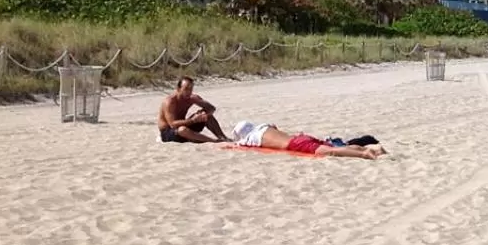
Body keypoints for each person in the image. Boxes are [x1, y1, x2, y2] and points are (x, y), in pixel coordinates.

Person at [230, 120, 385, 159]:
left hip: (294, 144)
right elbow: (274, 126)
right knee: (330, 146)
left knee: (330, 151)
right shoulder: (263, 127)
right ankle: (371, 149)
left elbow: (236, 144)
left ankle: (364, 154)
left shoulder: (250, 138)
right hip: (299, 137)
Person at [158, 76, 227, 143]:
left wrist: (203, 113)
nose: (189, 91)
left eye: (191, 89)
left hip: (184, 126)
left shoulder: (192, 98)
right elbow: (172, 124)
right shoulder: (170, 102)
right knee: (182, 130)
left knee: (207, 116)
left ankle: (223, 138)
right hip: (168, 132)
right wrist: (193, 120)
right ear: (178, 89)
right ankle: (213, 141)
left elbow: (212, 108)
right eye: (186, 89)